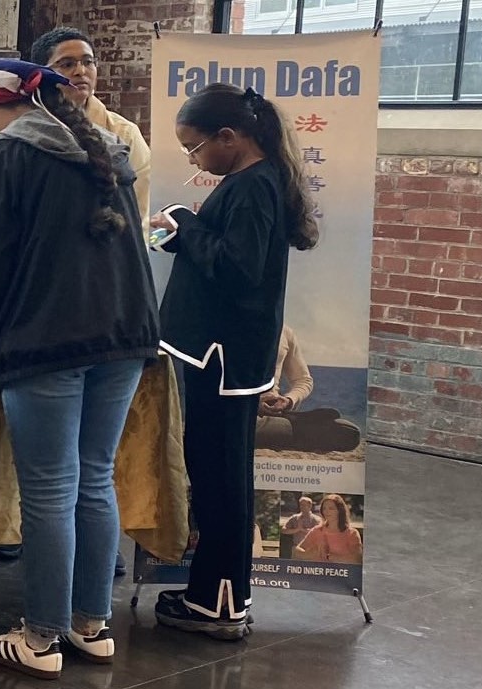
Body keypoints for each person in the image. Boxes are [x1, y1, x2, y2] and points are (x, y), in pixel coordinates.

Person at [0, 58, 159, 679]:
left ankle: (40, 639)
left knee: (49, 490)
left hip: (48, 339)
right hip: (124, 335)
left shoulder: (6, 156)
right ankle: (91, 626)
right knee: (94, 478)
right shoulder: (104, 150)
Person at [149, 83, 318, 641]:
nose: (192, 160)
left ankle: (218, 603)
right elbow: (228, 254)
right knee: (220, 474)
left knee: (220, 479)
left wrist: (187, 221)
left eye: (194, 148)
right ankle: (219, 595)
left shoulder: (252, 187)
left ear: (229, 137)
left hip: (221, 359)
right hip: (223, 355)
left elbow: (238, 270)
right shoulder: (253, 181)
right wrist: (183, 235)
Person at [30, 26, 151, 242]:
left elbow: (140, 210)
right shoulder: (25, 132)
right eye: (67, 64)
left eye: (88, 62)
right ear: (41, 74)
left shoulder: (123, 133)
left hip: (107, 247)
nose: (81, 71)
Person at [256, 326, 362, 452]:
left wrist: (289, 400)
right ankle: (298, 427)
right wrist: (253, 403)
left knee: (349, 432)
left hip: (272, 412)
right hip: (242, 412)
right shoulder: (234, 326)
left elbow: (303, 380)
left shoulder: (284, 331)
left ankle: (292, 425)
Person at [294, 494, 363, 564]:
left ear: (339, 510)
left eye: (331, 508)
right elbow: (296, 552)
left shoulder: (351, 533)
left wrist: (329, 556)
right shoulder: (317, 530)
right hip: (319, 569)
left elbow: (357, 559)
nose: (326, 511)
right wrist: (311, 554)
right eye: (324, 508)